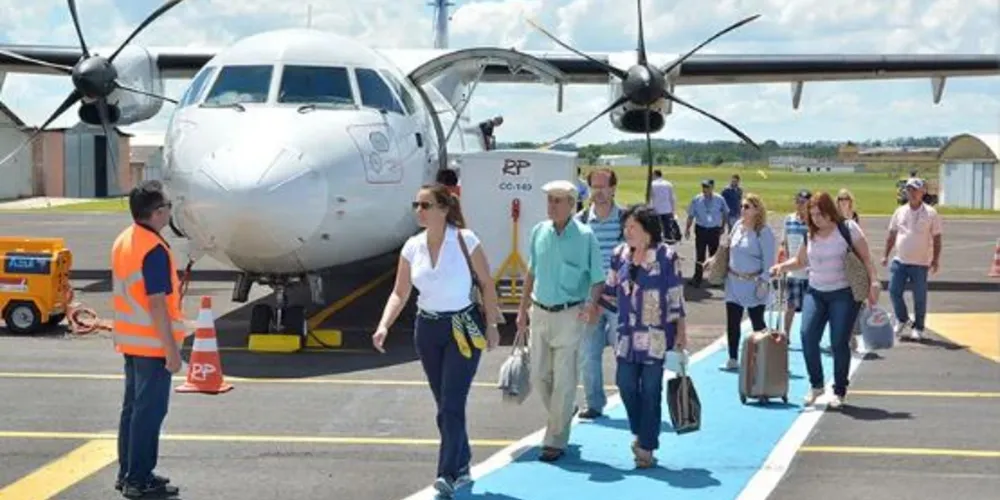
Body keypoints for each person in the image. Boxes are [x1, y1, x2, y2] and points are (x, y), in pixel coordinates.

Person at [372, 184, 501, 497]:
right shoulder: (411, 246)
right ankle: (463, 459)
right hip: (427, 329)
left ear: (444, 209)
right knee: (444, 404)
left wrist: (492, 324)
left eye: (426, 205)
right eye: (416, 205)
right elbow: (400, 292)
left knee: (451, 403)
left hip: (462, 326)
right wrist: (384, 325)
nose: (419, 210)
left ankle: (447, 473)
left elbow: (486, 283)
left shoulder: (465, 240)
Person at [515, 179, 605, 462]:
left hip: (570, 314)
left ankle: (555, 440)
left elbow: (598, 278)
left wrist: (590, 304)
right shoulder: (539, 231)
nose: (551, 206)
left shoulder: (586, 236)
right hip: (539, 312)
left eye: (557, 201)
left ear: (571, 204)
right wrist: (521, 310)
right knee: (539, 376)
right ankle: (565, 411)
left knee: (565, 378)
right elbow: (531, 272)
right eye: (549, 200)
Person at [770, 191, 880, 408]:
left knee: (838, 341)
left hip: (843, 293)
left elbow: (866, 258)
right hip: (816, 291)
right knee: (807, 335)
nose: (816, 219)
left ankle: (839, 390)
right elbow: (800, 261)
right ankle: (816, 385)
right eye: (812, 215)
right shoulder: (810, 233)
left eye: (820, 214)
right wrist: (781, 267)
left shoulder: (847, 229)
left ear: (830, 211)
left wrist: (874, 282)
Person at [112, 180, 185, 499]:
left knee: (133, 410)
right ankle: (138, 480)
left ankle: (128, 473)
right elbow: (157, 304)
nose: (170, 211)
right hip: (152, 344)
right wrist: (172, 351)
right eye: (168, 206)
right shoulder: (154, 250)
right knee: (149, 413)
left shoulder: (126, 240)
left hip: (131, 341)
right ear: (157, 213)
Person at [605, 204, 687, 468]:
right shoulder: (619, 255)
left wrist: (681, 332)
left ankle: (647, 445)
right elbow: (610, 292)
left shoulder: (666, 257)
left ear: (648, 231)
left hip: (656, 337)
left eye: (633, 227)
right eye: (625, 227)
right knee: (625, 384)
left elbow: (675, 298)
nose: (627, 232)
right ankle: (640, 431)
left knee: (651, 389)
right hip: (626, 336)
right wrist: (592, 309)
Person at [574, 168, 625, 419]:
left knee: (624, 353)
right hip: (590, 299)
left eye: (604, 186)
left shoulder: (626, 220)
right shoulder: (580, 221)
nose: (599, 191)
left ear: (613, 188)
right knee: (588, 354)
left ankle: (630, 398)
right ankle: (594, 403)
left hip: (620, 299)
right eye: (595, 186)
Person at [720, 194, 776, 371]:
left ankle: (768, 356)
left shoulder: (763, 232)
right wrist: (714, 261)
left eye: (747, 207)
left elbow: (769, 260)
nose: (742, 210)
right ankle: (732, 358)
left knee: (757, 322)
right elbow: (728, 248)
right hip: (733, 281)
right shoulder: (738, 226)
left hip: (753, 283)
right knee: (732, 321)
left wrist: (764, 281)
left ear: (757, 210)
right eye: (742, 206)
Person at [882, 177, 942, 341]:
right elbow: (892, 234)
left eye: (915, 190)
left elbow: (937, 238)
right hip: (900, 260)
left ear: (923, 192)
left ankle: (919, 327)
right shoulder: (900, 211)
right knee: (894, 291)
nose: (912, 193)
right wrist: (885, 255)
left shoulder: (931, 213)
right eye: (909, 190)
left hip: (920, 263)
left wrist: (935, 259)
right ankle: (902, 318)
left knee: (919, 297)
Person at [684, 179, 729, 286]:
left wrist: (722, 226)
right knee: (700, 254)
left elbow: (725, 213)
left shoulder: (719, 199)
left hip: (714, 230)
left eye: (707, 187)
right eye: (703, 187)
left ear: (712, 187)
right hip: (701, 229)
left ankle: (714, 278)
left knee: (714, 254)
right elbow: (691, 215)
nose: (705, 189)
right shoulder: (697, 199)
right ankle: (697, 278)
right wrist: (687, 228)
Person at [780, 190, 811, 336]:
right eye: (797, 201)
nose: (799, 205)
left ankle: (808, 335)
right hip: (793, 271)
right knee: (790, 305)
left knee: (809, 309)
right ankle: (786, 334)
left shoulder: (813, 222)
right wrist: (784, 264)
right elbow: (784, 243)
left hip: (809, 273)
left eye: (803, 202)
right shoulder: (789, 219)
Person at [649, 170, 680, 243]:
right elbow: (672, 197)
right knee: (667, 226)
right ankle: (668, 239)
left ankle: (658, 240)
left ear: (655, 175)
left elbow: (651, 197)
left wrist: (650, 208)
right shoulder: (668, 184)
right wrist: (673, 209)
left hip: (657, 209)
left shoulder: (652, 184)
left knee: (657, 226)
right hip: (667, 209)